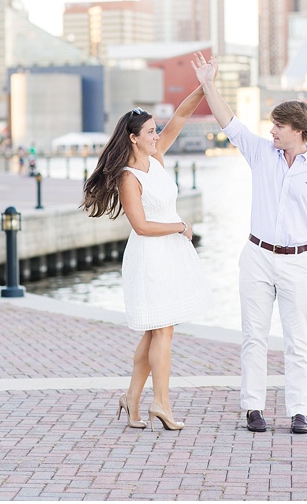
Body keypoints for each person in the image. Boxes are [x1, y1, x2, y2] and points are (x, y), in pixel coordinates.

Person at [191, 51, 307, 435]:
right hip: (256, 257)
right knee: (254, 336)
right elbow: (228, 122)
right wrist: (208, 83)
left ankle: (300, 411)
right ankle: (253, 408)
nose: (271, 132)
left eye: (278, 126)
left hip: (298, 262)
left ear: (297, 130)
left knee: (299, 340)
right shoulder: (260, 154)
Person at [82, 92, 214, 431]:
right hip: (150, 255)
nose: (158, 136)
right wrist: (181, 226)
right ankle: (162, 403)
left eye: (157, 130)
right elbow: (140, 226)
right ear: (134, 137)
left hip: (169, 253)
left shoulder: (156, 159)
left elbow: (181, 117)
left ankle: (132, 397)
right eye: (151, 131)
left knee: (155, 332)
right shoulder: (129, 177)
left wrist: (203, 87)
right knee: (163, 329)